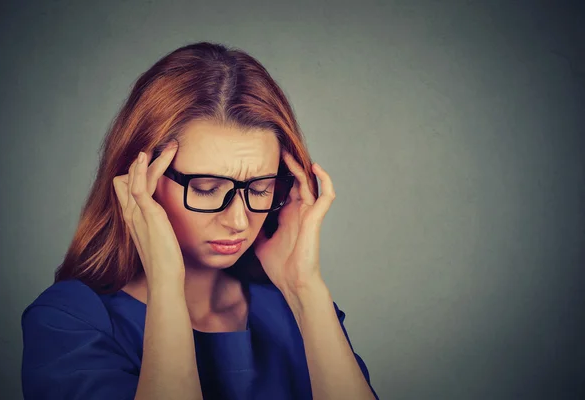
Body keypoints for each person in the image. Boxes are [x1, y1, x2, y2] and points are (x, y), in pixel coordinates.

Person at [21, 41, 379, 400]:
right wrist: (166, 284)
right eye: (207, 188)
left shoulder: (296, 309)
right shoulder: (70, 320)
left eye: (261, 188)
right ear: (139, 180)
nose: (239, 220)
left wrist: (305, 289)